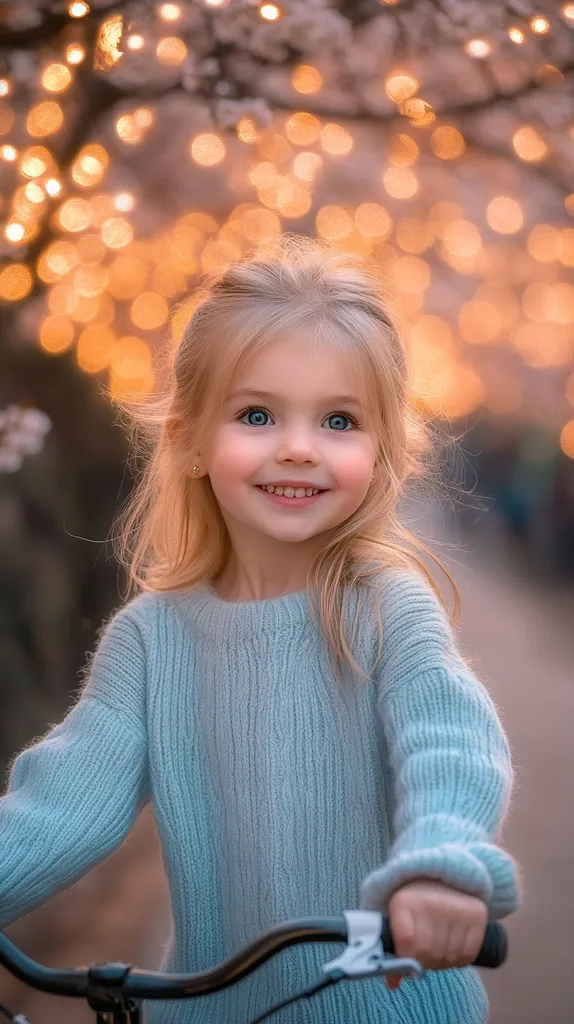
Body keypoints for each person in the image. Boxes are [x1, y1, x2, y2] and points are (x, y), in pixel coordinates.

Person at [0, 237, 520, 1023]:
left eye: (339, 420)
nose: (299, 447)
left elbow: (450, 740)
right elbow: (61, 804)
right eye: (256, 414)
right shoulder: (152, 641)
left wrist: (438, 869)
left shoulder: (382, 608)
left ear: (382, 453)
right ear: (188, 438)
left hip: (395, 1005)